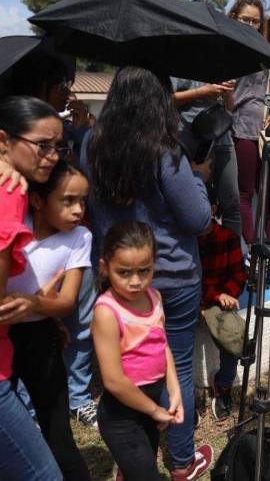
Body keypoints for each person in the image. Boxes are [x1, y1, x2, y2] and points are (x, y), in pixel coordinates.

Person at [86, 66, 213, 480]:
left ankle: (134, 458)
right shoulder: (166, 150)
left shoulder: (91, 142)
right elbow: (198, 220)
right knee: (173, 362)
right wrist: (196, 178)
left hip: (114, 277)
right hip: (171, 275)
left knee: (121, 369)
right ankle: (180, 462)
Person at [7, 160, 92, 480]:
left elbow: (67, 303)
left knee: (58, 437)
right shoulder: (15, 221)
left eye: (82, 200)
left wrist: (33, 303)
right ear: (39, 201)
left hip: (41, 341)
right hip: (5, 338)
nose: (78, 210)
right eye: (67, 200)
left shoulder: (79, 238)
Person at [0, 96, 65, 480]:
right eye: (42, 145)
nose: (53, 156)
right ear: (4, 140)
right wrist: (34, 304)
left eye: (59, 146)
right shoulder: (9, 190)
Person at [92, 221, 183, 481]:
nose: (135, 281)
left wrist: (174, 389)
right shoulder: (107, 312)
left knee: (138, 469)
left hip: (150, 407)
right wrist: (153, 410)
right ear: (104, 268)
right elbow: (113, 380)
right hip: (121, 418)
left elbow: (161, 344)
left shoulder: (154, 297)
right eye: (124, 272)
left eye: (144, 271)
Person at [197, 187, 246, 421]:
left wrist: (227, 296)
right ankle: (186, 396)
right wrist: (215, 295)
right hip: (194, 298)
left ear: (213, 208)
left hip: (215, 300)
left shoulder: (228, 238)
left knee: (235, 333)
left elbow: (238, 276)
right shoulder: (185, 241)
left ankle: (223, 384)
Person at [226, 0, 270, 245]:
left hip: (265, 127)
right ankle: (253, 246)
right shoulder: (227, 48)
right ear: (234, 17)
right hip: (240, 126)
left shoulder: (264, 50)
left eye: (255, 21)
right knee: (246, 190)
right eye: (246, 20)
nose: (251, 26)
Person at [172, 73, 240, 238]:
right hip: (190, 141)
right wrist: (202, 92)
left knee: (232, 204)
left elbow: (230, 107)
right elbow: (166, 99)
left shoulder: (220, 64)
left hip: (222, 137)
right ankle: (201, 257)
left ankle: (233, 256)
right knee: (191, 203)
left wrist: (228, 92)